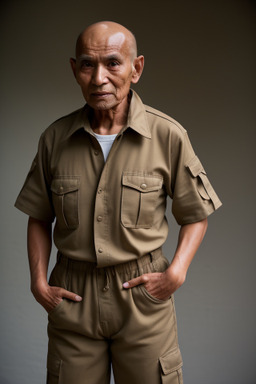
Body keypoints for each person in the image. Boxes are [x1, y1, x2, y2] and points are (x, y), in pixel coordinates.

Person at [15, 21, 222, 384]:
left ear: (135, 68)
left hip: (142, 298)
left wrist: (176, 272)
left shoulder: (167, 135)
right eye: (87, 65)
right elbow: (38, 216)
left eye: (112, 63)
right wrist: (38, 282)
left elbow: (196, 214)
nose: (99, 79)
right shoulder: (54, 139)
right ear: (74, 70)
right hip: (73, 297)